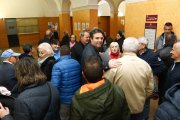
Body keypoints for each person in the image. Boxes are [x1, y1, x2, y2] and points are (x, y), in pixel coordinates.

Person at [104, 37, 154, 120]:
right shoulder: (146, 66)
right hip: (138, 108)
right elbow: (149, 89)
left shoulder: (116, 65)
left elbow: (105, 86)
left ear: (122, 48)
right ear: (137, 48)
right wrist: (139, 98)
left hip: (120, 109)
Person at [137, 37, 166, 120]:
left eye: (138, 43)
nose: (136, 45)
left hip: (146, 84)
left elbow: (162, 67)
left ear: (143, 45)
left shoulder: (152, 55)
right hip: (138, 82)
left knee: (146, 102)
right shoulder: (137, 53)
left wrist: (150, 73)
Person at [51, 45, 81, 120]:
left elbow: (54, 86)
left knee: (64, 117)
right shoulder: (76, 63)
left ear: (60, 53)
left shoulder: (57, 66)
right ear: (70, 53)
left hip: (64, 100)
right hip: (76, 97)